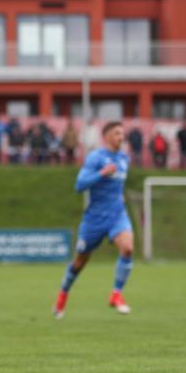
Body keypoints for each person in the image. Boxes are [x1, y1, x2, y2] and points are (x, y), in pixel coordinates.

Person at [53, 121, 133, 319]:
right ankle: (63, 293)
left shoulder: (124, 158)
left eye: (122, 134)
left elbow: (117, 187)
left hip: (117, 214)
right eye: (117, 134)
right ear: (106, 136)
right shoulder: (96, 158)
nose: (121, 138)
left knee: (128, 248)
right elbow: (79, 185)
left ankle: (116, 294)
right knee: (80, 261)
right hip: (94, 219)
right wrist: (101, 174)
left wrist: (118, 197)